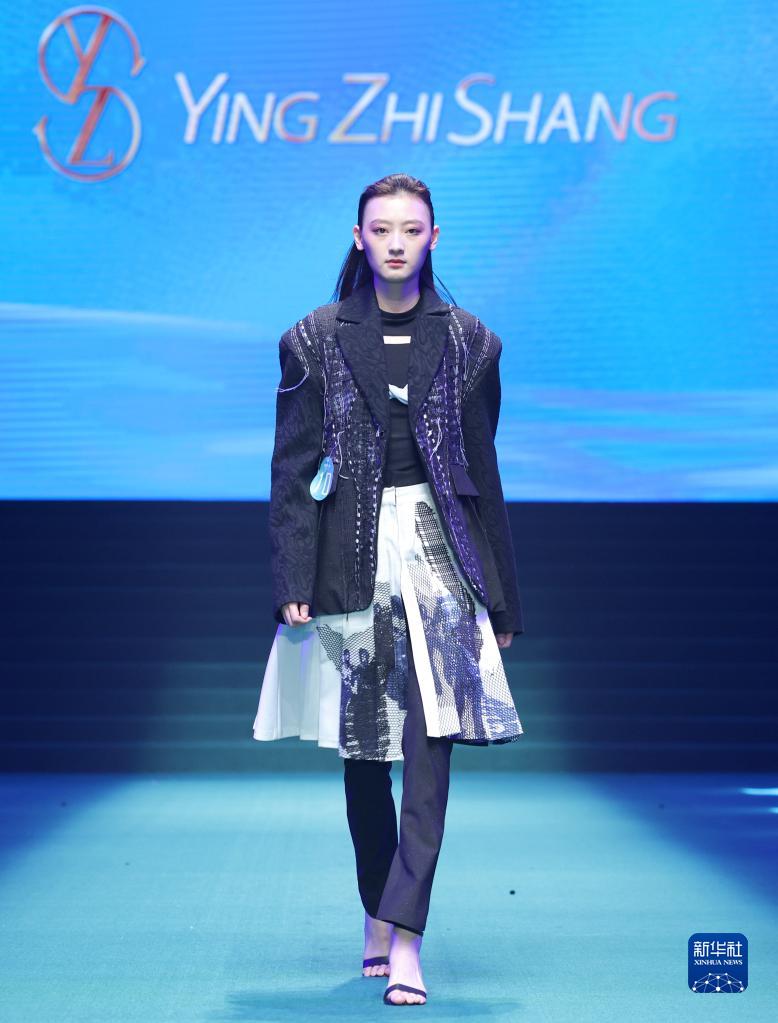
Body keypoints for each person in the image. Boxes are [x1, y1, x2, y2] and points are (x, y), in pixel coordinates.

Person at [253, 173, 525, 1006]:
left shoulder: (473, 342)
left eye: (411, 228)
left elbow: (481, 474)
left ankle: (406, 934)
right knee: (365, 747)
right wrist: (292, 576)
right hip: (351, 552)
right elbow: (293, 469)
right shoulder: (314, 339)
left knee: (433, 739)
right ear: (360, 237)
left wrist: (502, 598)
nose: (397, 242)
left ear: (434, 237)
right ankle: (378, 905)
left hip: (442, 555)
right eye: (382, 228)